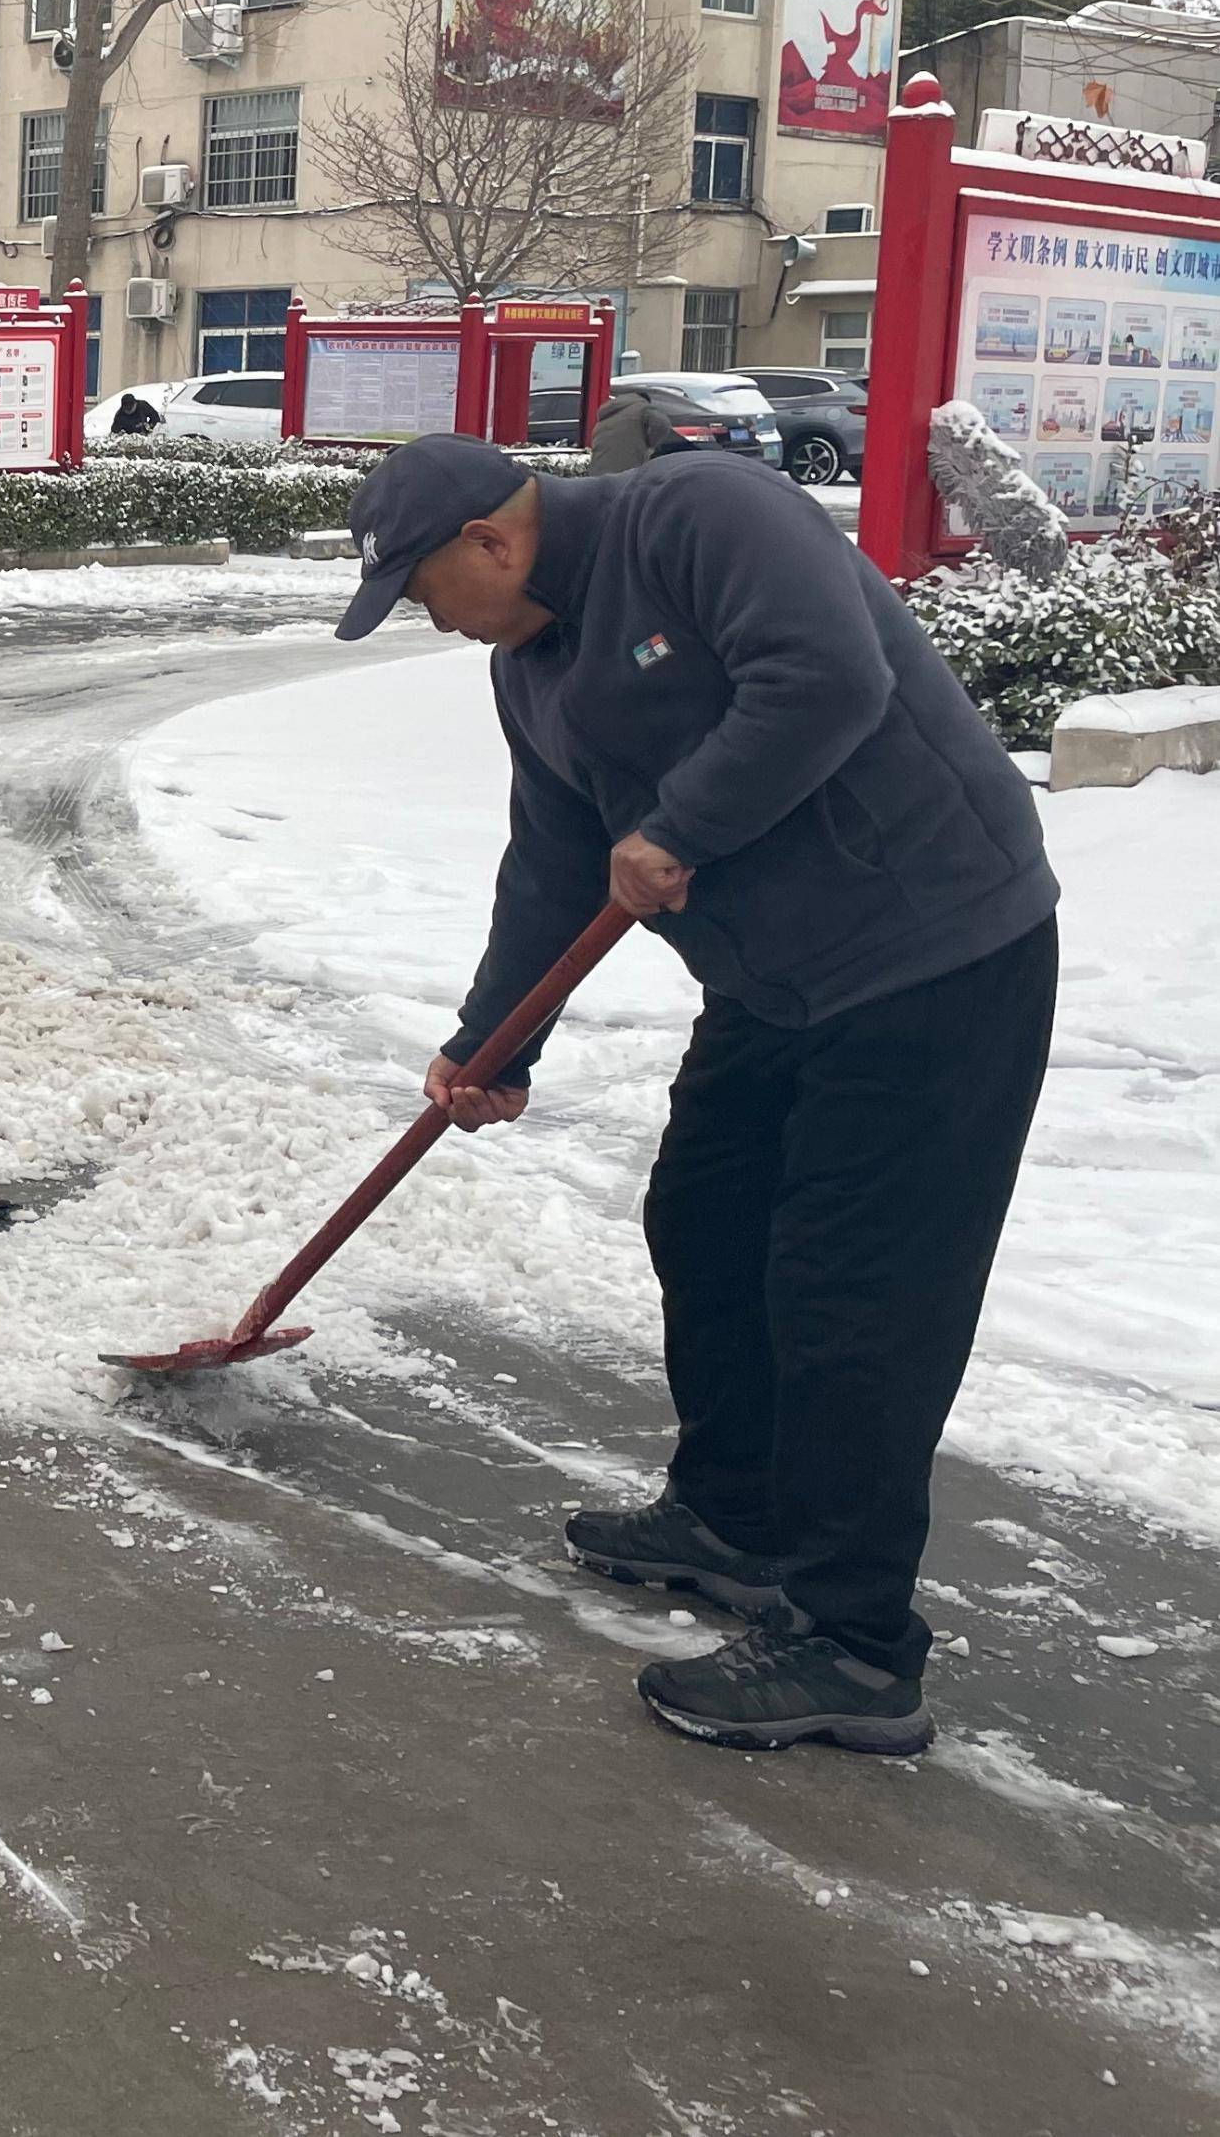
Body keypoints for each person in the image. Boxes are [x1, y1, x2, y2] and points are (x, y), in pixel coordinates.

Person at [340, 433, 1060, 1754]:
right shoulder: (534, 666)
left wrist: (679, 827)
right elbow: (552, 869)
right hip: (773, 986)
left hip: (931, 950)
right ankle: (734, 1514)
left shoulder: (700, 511)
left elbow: (820, 679)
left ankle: (852, 1646)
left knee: (852, 1290)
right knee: (705, 1219)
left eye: (423, 592)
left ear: (488, 543)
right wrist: (492, 1045)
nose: (430, 621)